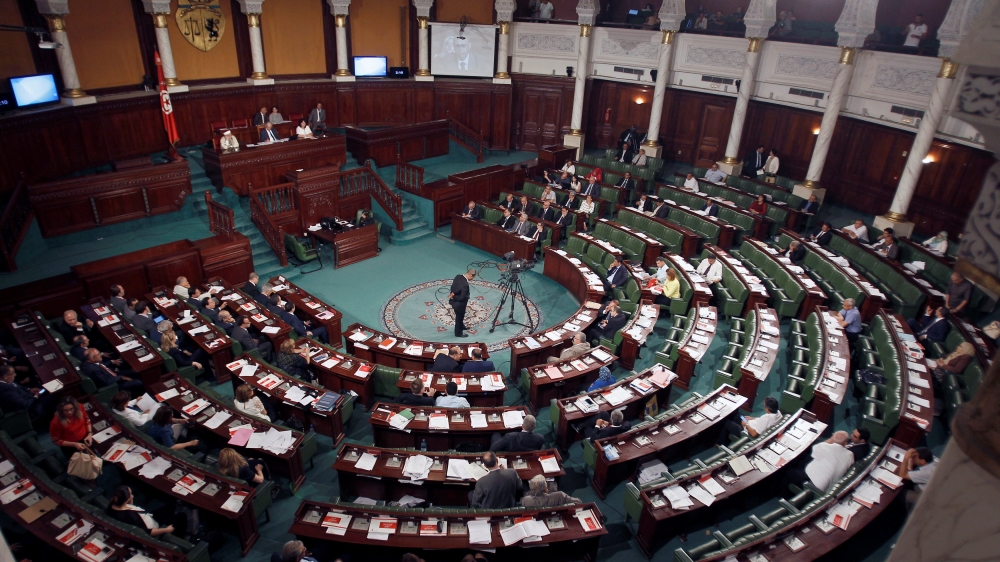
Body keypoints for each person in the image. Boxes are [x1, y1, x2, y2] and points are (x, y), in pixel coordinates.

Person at [107, 486, 186, 538]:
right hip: (154, 526)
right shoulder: (132, 516)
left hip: (147, 516)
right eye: (131, 494)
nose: (132, 496)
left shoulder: (112, 505)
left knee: (169, 507)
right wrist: (167, 530)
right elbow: (147, 532)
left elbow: (128, 507)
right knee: (182, 516)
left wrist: (129, 500)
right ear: (126, 499)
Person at [786, 431, 854, 492]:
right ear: (846, 443)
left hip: (812, 483)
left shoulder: (824, 447)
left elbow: (816, 447)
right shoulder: (850, 455)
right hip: (830, 488)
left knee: (787, 471)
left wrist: (832, 439)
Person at [717, 396, 781, 444]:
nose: (764, 407)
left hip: (746, 431)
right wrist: (752, 418)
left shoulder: (767, 419)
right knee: (736, 415)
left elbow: (754, 434)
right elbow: (761, 420)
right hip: (749, 422)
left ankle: (720, 443)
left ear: (768, 409)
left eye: (764, 406)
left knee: (726, 421)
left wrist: (746, 424)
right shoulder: (778, 413)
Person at [449, 270, 475, 337]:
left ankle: (462, 326)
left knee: (461, 316)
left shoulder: (458, 276)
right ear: (471, 276)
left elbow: (452, 287)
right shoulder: (465, 285)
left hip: (454, 302)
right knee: (459, 318)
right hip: (459, 304)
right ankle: (458, 333)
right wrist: (453, 297)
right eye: (473, 278)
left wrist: (452, 294)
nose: (472, 279)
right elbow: (461, 298)